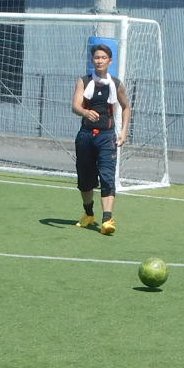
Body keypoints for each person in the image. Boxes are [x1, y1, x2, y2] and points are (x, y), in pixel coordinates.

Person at [71, 44, 132, 235]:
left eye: (103, 58)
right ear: (92, 60)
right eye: (97, 58)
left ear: (110, 61)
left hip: (107, 137)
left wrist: (124, 133)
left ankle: (107, 219)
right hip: (86, 136)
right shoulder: (84, 81)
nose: (99, 61)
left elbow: (126, 107)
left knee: (107, 176)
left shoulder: (116, 84)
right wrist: (85, 112)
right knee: (85, 179)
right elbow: (75, 106)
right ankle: (89, 214)